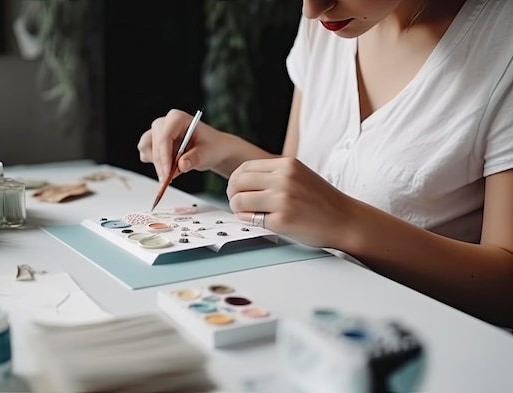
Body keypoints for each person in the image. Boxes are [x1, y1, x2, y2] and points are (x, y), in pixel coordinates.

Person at [137, 0, 513, 328]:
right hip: (303, 318)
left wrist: (345, 222)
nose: (310, 10)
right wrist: (223, 150)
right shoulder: (328, 25)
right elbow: (302, 188)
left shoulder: (502, 46)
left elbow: (505, 289)